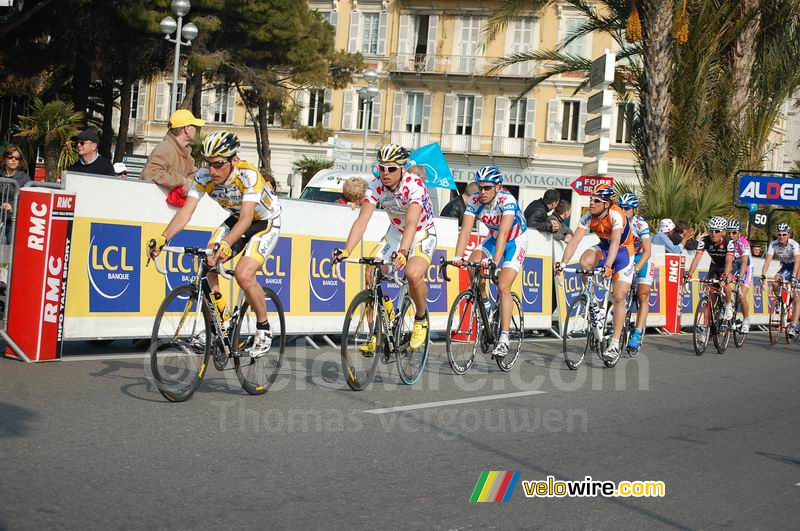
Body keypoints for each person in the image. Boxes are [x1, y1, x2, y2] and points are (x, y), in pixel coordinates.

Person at [147, 131, 281, 358]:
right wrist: (163, 238)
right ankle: (222, 318)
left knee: (244, 275)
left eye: (218, 164)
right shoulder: (203, 177)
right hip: (236, 219)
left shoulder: (248, 175)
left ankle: (264, 327)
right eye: (208, 163)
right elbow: (186, 213)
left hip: (265, 222)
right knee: (208, 260)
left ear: (234, 161)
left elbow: (247, 218)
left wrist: (227, 243)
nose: (212, 170)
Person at [332, 144, 435, 353]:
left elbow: (412, 222)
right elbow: (362, 220)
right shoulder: (375, 185)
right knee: (371, 271)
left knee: (412, 273)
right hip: (395, 233)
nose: (385, 173)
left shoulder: (415, 185)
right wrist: (347, 250)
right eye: (382, 168)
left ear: (402, 169)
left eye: (391, 168)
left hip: (421, 233)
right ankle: (377, 332)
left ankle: (421, 318)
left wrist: (404, 252)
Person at [452, 165, 528, 358]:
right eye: (480, 187)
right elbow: (466, 230)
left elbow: (504, 232)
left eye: (487, 188)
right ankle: (485, 304)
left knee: (503, 286)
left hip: (515, 241)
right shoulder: (475, 200)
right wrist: (458, 256)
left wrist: (494, 262)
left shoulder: (507, 200)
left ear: (498, 187)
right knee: (472, 265)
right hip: (493, 238)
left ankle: (504, 338)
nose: (483, 192)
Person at [554, 184, 635, 362]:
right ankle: (595, 306)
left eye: (596, 201)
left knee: (619, 296)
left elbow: (616, 242)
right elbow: (574, 241)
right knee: (584, 262)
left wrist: (608, 265)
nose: (591, 203)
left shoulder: (616, 214)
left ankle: (615, 343)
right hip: (604, 247)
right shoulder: (589, 216)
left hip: (623, 252)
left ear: (606, 204)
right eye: (591, 199)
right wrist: (563, 262)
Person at [618, 193, 652, 351]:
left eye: (627, 209)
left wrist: (636, 269)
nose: (623, 211)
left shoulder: (640, 224)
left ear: (634, 210)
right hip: (625, 256)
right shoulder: (616, 221)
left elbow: (647, 251)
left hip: (641, 257)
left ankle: (637, 333)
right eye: (621, 208)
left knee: (642, 294)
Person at [142, 109, 205, 192]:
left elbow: (194, 174)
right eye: (194, 126)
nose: (196, 130)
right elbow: (150, 173)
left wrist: (189, 182)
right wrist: (182, 181)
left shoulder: (185, 152)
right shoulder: (165, 148)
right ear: (186, 128)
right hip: (152, 199)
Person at [685, 216, 734, 319]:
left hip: (728, 266)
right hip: (715, 266)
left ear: (722, 232)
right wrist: (689, 274)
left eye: (717, 231)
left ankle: (728, 305)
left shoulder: (728, 241)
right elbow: (697, 258)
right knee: (711, 295)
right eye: (711, 231)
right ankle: (709, 323)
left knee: (726, 283)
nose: (713, 234)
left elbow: (729, 261)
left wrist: (725, 275)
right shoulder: (704, 240)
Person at [760, 223, 800, 338]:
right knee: (775, 281)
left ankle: (793, 326)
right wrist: (763, 274)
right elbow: (767, 261)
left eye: (784, 234)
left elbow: (797, 262)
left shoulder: (794, 244)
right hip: (786, 266)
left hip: (797, 266)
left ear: (788, 235)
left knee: (797, 298)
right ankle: (779, 301)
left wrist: (794, 278)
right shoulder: (773, 244)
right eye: (779, 234)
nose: (781, 237)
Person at [0, 144, 31, 244]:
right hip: (1, 219)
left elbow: (28, 202)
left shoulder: (25, 179)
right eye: (10, 157)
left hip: (15, 222)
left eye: (17, 158)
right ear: (5, 159)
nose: (14, 160)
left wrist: (12, 207)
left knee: (12, 247)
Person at [726, 219, 752, 334]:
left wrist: (740, 277)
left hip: (745, 268)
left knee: (741, 297)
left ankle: (746, 320)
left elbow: (745, 262)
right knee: (724, 284)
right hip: (734, 266)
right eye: (729, 232)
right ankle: (727, 305)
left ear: (739, 233)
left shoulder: (744, 243)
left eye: (734, 233)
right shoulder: (727, 241)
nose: (731, 235)